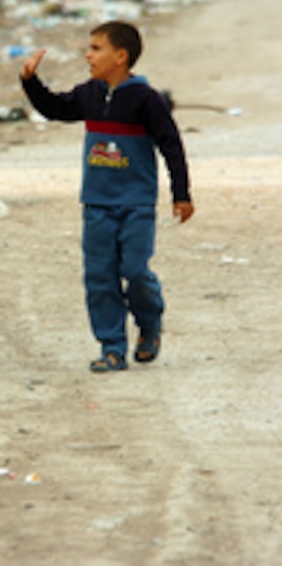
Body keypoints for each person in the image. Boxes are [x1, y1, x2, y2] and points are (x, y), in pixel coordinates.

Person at [20, 20, 194, 373]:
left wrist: (181, 194)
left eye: (96, 48)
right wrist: (30, 81)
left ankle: (149, 321)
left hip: (136, 204)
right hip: (97, 203)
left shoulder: (147, 99)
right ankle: (112, 347)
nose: (88, 54)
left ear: (121, 56)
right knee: (99, 275)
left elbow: (171, 146)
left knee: (134, 269)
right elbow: (54, 108)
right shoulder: (90, 94)